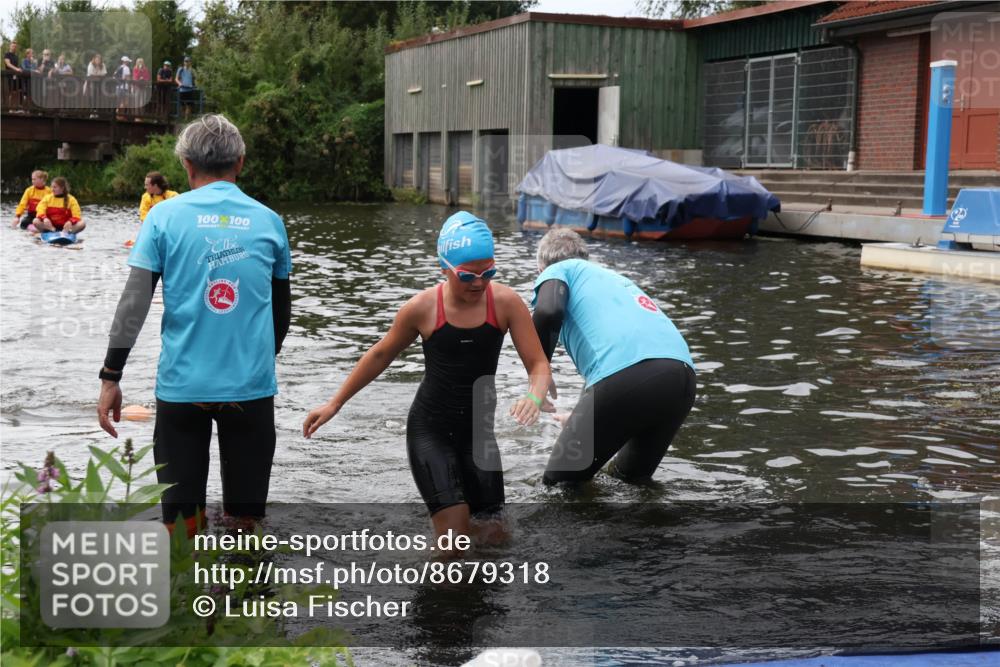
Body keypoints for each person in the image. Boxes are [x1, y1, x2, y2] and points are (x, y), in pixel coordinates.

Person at [303, 211, 551, 545]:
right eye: (467, 275)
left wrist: (533, 396)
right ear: (444, 268)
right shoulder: (422, 309)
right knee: (453, 541)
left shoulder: (506, 304)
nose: (479, 282)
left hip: (479, 436)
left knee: (496, 539)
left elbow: (538, 364)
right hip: (431, 432)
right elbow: (380, 354)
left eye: (488, 272)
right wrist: (335, 403)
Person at [97, 115, 292, 538]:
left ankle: (185, 599)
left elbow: (134, 303)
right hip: (250, 392)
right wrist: (254, 361)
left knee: (181, 529)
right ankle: (246, 598)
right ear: (240, 162)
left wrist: (111, 375)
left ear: (186, 165)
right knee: (246, 523)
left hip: (182, 391)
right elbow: (282, 317)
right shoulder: (270, 221)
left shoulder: (163, 217)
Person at [531, 228, 696, 485]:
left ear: (541, 267)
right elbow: (613, 357)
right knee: (628, 481)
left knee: (558, 487)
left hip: (632, 377)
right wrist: (580, 416)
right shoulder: (612, 279)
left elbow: (548, 311)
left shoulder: (558, 270)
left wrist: (538, 370)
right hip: (682, 377)